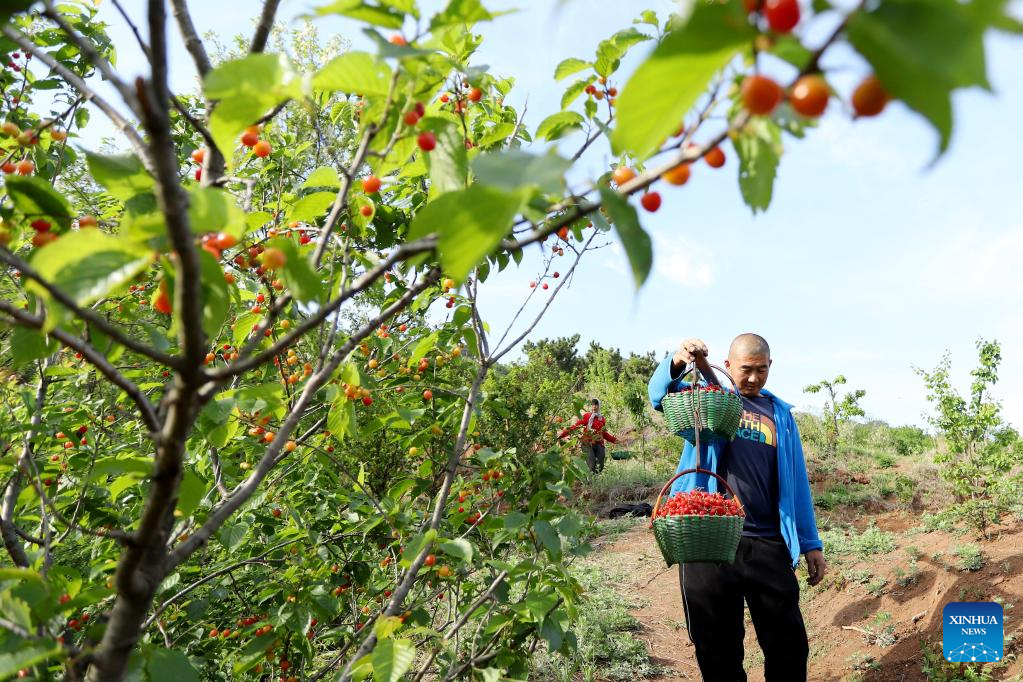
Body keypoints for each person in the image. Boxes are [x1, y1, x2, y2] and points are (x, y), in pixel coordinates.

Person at [647, 333, 826, 682]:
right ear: (728, 366)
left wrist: (811, 543)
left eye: (762, 370)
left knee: (788, 645)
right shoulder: (711, 402)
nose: (754, 378)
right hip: (708, 540)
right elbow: (659, 396)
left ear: (770, 366)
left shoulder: (781, 417)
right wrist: (679, 359)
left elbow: (796, 483)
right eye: (746, 369)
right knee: (716, 647)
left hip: (768, 542)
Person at [557, 398, 618, 473]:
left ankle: (596, 480)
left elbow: (603, 433)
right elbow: (575, 427)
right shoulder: (587, 416)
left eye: (596, 404)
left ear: (599, 406)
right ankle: (590, 482)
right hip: (587, 443)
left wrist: (614, 440)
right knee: (591, 464)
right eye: (593, 404)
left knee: (600, 464)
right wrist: (562, 435)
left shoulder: (602, 419)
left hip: (599, 443)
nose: (594, 406)